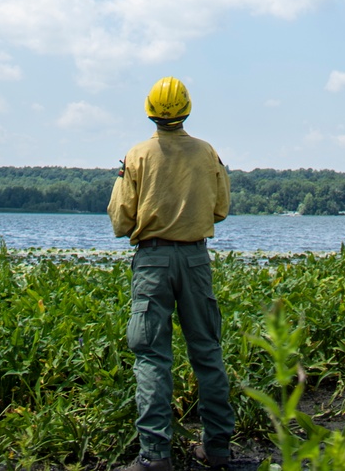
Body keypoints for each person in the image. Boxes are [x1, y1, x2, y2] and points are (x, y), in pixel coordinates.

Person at [108, 77, 236, 471]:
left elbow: (119, 219)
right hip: (196, 260)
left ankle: (153, 456)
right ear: (186, 109)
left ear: (149, 109)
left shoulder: (138, 155)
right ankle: (216, 450)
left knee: (151, 357)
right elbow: (221, 209)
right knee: (208, 353)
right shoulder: (207, 153)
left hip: (152, 260)